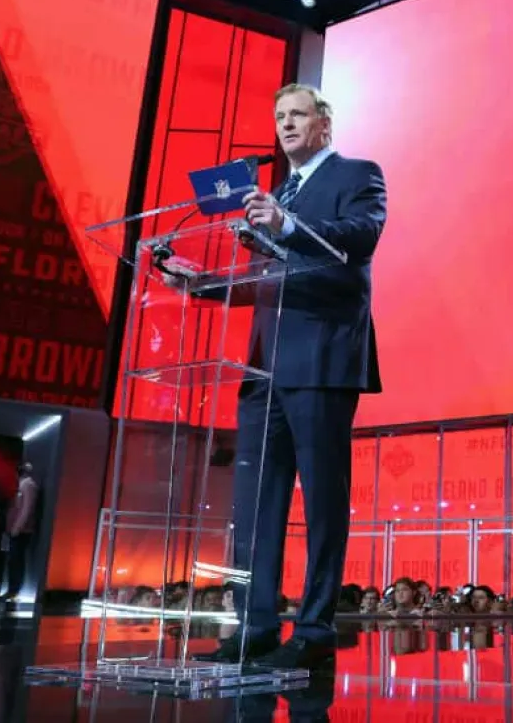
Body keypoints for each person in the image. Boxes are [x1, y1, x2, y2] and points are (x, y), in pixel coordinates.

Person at [182, 83, 386, 670]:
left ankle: (316, 627)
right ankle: (255, 625)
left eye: (297, 115)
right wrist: (198, 284)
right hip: (261, 369)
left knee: (323, 500)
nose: (286, 125)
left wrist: (289, 225)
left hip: (322, 358)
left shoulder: (357, 175)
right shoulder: (272, 195)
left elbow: (358, 241)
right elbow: (265, 283)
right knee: (255, 505)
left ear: (324, 123)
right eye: (279, 117)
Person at [0, 462, 39, 601]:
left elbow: (26, 509)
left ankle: (14, 590)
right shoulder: (22, 485)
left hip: (21, 531)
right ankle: (12, 589)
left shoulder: (28, 485)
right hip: (16, 529)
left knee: (16, 560)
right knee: (13, 560)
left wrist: (17, 527)